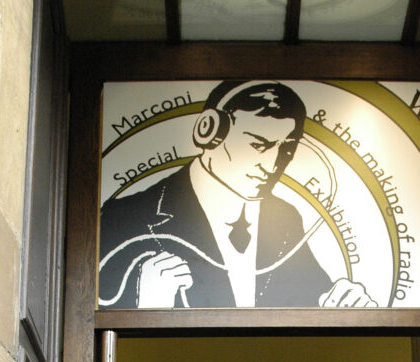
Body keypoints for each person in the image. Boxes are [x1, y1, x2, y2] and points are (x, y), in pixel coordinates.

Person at [99, 80, 377, 310]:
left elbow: (311, 298)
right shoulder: (124, 216)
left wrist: (341, 305)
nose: (272, 166)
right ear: (210, 133)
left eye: (286, 150)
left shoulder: (285, 219)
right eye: (258, 144)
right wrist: (144, 304)